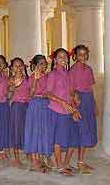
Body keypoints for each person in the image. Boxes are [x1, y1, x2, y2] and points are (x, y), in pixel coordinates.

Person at [45, 48, 81, 176]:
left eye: (65, 57)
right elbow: (47, 93)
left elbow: (71, 92)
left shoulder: (68, 74)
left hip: (69, 110)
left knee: (73, 139)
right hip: (57, 110)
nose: (63, 59)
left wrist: (74, 101)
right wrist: (62, 102)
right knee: (58, 140)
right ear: (55, 60)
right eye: (60, 57)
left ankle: (66, 163)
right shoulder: (53, 75)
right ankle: (59, 166)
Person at [69, 45, 98, 174]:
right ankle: (71, 163)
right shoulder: (73, 70)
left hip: (88, 101)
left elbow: (90, 88)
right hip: (78, 102)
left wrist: (95, 105)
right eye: (80, 54)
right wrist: (74, 107)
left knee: (87, 132)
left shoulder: (89, 69)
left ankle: (81, 161)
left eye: (85, 54)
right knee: (79, 132)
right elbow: (70, 89)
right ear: (75, 56)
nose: (83, 56)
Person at [24, 55, 51, 172]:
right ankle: (34, 161)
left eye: (45, 64)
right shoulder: (31, 78)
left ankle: (40, 158)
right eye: (41, 64)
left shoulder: (48, 77)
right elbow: (30, 95)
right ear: (34, 66)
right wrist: (35, 79)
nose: (43, 66)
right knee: (34, 131)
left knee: (42, 130)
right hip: (35, 105)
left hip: (45, 106)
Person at [7, 57, 30, 168]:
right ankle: (16, 158)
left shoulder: (27, 79)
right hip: (16, 108)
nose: (19, 68)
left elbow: (30, 94)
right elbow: (8, 97)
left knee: (26, 130)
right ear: (12, 68)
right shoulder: (10, 80)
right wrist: (12, 88)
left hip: (27, 107)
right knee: (16, 131)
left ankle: (28, 153)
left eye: (20, 65)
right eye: (16, 66)